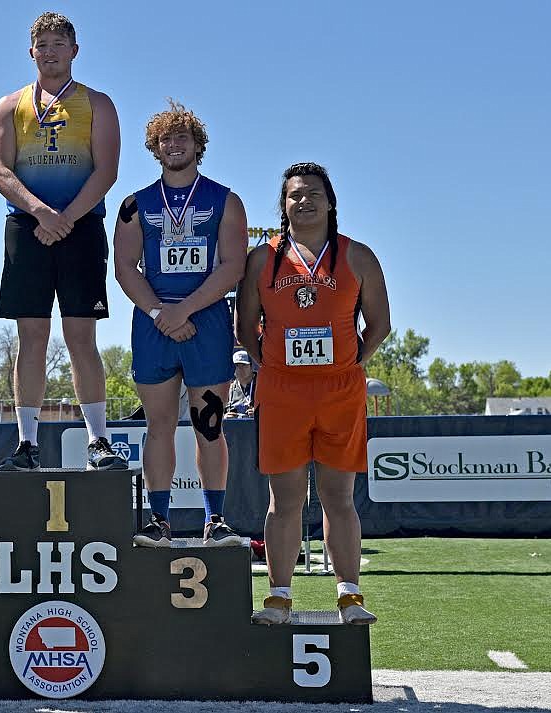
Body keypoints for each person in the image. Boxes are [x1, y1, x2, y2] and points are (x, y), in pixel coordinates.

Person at [236, 162, 391, 625]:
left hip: (340, 391)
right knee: (283, 500)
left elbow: (380, 324)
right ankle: (279, 597)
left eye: (313, 194)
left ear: (330, 202)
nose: (303, 201)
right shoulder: (263, 259)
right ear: (282, 205)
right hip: (283, 391)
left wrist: (352, 363)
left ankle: (349, 596)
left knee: (338, 497)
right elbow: (245, 328)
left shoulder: (358, 256)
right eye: (294, 195)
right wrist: (271, 366)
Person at [0, 11, 125, 471]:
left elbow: (106, 170)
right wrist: (41, 212)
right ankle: (27, 444)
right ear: (31, 53)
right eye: (41, 45)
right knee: (31, 336)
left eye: (57, 43)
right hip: (27, 228)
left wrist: (65, 216)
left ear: (74, 51)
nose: (49, 52)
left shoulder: (98, 104)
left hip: (81, 225)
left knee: (81, 335)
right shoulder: (9, 106)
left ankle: (99, 441)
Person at [113, 101, 247, 548]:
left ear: (198, 145)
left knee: (209, 424)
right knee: (160, 425)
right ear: (155, 147)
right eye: (166, 139)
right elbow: (125, 267)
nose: (174, 145)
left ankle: (216, 519)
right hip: (153, 323)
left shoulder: (225, 200)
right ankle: (159, 520)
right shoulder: (136, 204)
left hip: (206, 320)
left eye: (183, 137)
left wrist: (184, 310)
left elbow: (232, 267)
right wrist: (160, 314)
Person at [225, 350, 256, 417]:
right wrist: (225, 417)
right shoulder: (229, 389)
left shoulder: (261, 386)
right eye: (236, 365)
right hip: (235, 426)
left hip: (257, 426)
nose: (240, 369)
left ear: (251, 367)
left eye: (244, 365)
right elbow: (218, 412)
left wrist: (258, 414)